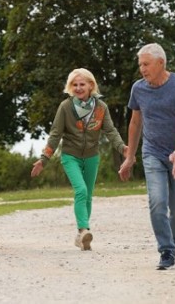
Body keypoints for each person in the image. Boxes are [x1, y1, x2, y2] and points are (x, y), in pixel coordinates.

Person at [118, 43, 175, 270]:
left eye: (146, 64)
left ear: (161, 63)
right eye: (140, 65)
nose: (142, 69)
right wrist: (130, 156)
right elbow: (135, 122)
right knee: (157, 202)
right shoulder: (138, 89)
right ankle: (166, 249)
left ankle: (174, 238)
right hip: (152, 152)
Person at [31, 68, 127, 251]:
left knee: (88, 196)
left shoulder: (101, 108)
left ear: (91, 85)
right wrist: (44, 159)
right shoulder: (65, 107)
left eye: (82, 84)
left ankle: (81, 238)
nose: (78, 87)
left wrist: (122, 147)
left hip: (92, 156)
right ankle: (84, 230)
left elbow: (110, 131)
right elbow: (55, 134)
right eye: (75, 85)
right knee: (81, 190)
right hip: (70, 156)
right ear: (70, 87)